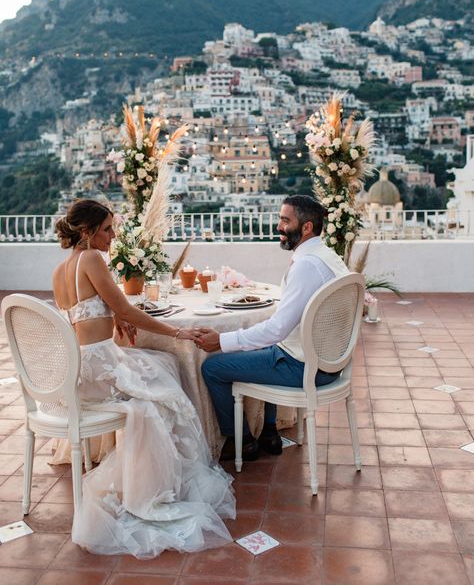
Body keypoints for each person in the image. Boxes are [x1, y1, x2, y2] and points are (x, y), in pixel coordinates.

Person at [52, 199, 235, 558]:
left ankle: (152, 476)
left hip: (79, 371)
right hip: (100, 367)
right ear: (87, 233)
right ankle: (153, 487)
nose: (112, 236)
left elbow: (89, 313)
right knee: (168, 382)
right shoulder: (91, 259)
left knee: (161, 368)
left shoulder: (61, 269)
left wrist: (115, 316)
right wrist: (176, 333)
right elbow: (124, 307)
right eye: (106, 229)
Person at [196, 195, 349, 461]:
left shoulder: (306, 265)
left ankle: (241, 441)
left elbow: (276, 330)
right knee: (265, 343)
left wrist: (221, 341)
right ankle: (268, 430)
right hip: (331, 362)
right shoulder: (327, 256)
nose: (278, 226)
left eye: (284, 220)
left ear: (307, 227)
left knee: (213, 367)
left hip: (307, 368)